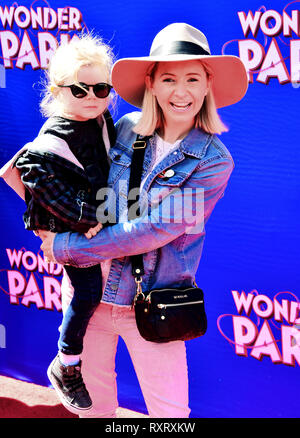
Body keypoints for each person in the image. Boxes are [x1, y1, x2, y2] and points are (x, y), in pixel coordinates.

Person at [39, 23, 248, 418]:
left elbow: (153, 230)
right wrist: (45, 221)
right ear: (151, 83)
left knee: (170, 414)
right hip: (90, 299)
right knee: (94, 411)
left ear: (208, 85)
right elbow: (63, 169)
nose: (181, 92)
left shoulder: (215, 161)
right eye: (169, 79)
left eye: (192, 79)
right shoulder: (123, 129)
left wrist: (67, 247)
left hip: (154, 304)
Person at [0, 34, 116, 413]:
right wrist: (91, 221)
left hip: (101, 219)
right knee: (87, 294)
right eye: (80, 89)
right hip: (69, 228)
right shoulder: (48, 143)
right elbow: (54, 198)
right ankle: (66, 363)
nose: (93, 97)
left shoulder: (102, 120)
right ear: (56, 90)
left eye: (101, 87)